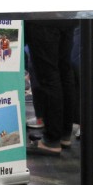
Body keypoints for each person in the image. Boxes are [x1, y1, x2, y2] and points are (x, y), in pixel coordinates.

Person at [24, 19, 77, 156]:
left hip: (42, 17)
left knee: (48, 75)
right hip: (66, 15)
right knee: (64, 71)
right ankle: (63, 134)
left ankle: (52, 139)